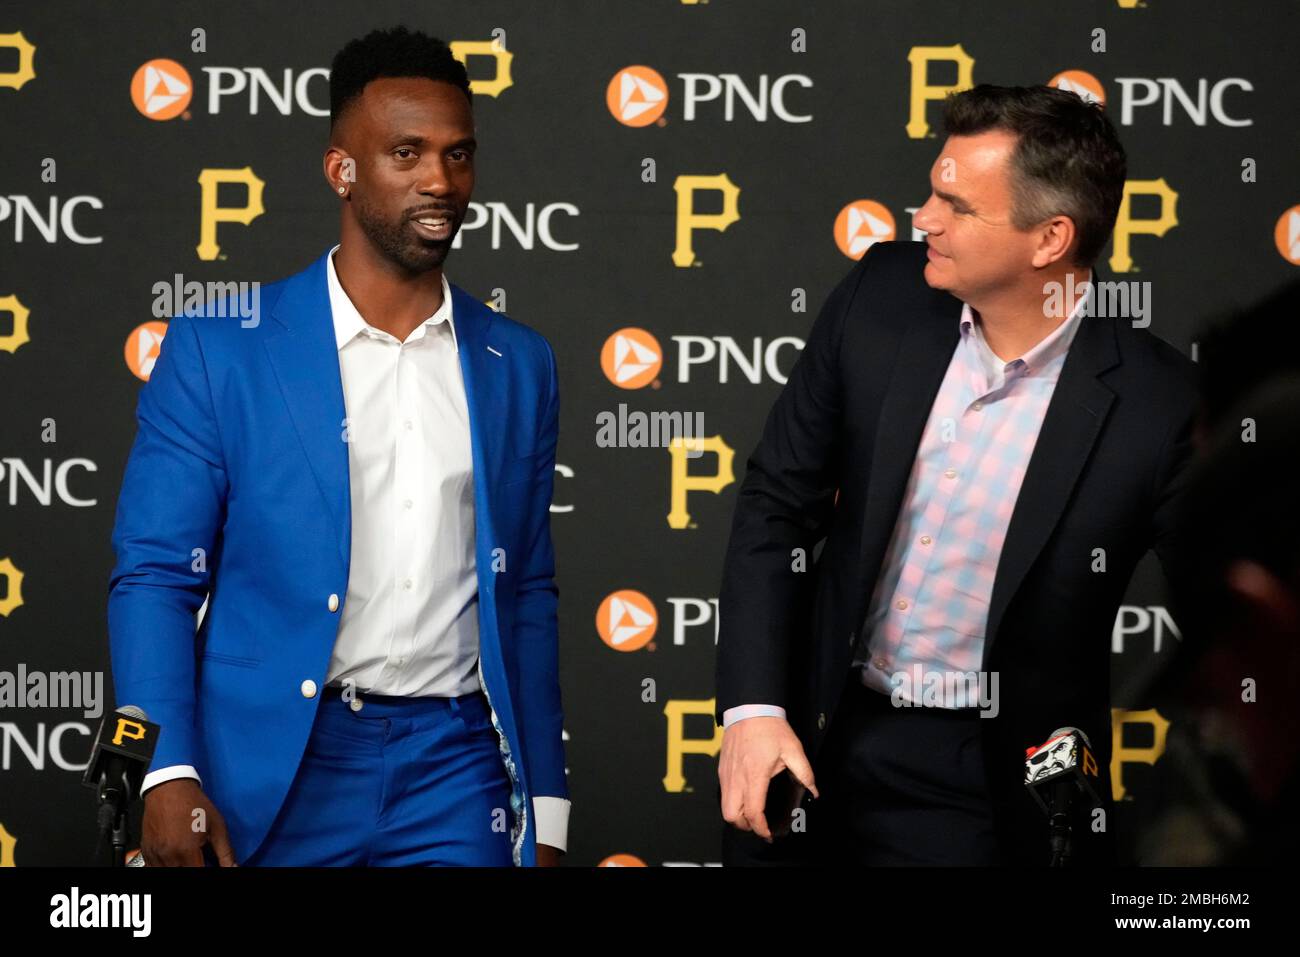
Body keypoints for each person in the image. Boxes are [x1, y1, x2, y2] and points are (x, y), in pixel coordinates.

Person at [107, 26, 568, 867]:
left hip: (456, 765)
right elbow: (155, 574)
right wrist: (163, 768)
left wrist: (546, 806)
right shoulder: (222, 349)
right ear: (341, 171)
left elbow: (527, 593)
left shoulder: (519, 363)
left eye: (458, 155)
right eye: (406, 152)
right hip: (274, 758)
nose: (440, 180)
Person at [715, 84, 1197, 866]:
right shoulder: (879, 295)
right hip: (807, 743)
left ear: (1049, 240)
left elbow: (1232, 626)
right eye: (933, 190)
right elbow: (777, 503)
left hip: (986, 788)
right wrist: (754, 709)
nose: (924, 218)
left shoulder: (1161, 406)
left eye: (958, 206)